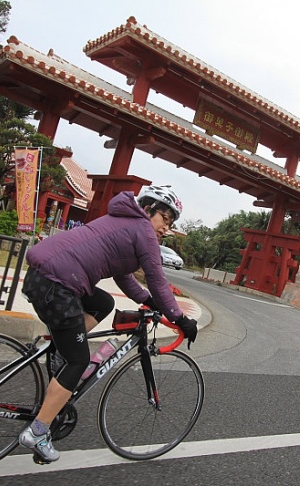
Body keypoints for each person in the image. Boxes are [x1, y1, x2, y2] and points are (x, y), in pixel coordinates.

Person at [18, 185, 199, 463]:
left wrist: (148, 301)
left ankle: (58, 345)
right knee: (78, 362)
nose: (166, 228)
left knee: (102, 303)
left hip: (44, 277)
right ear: (148, 210)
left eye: (171, 223)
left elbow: (124, 276)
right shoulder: (142, 231)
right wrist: (180, 318)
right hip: (59, 285)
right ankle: (38, 432)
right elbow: (157, 279)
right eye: (165, 218)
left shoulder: (123, 221)